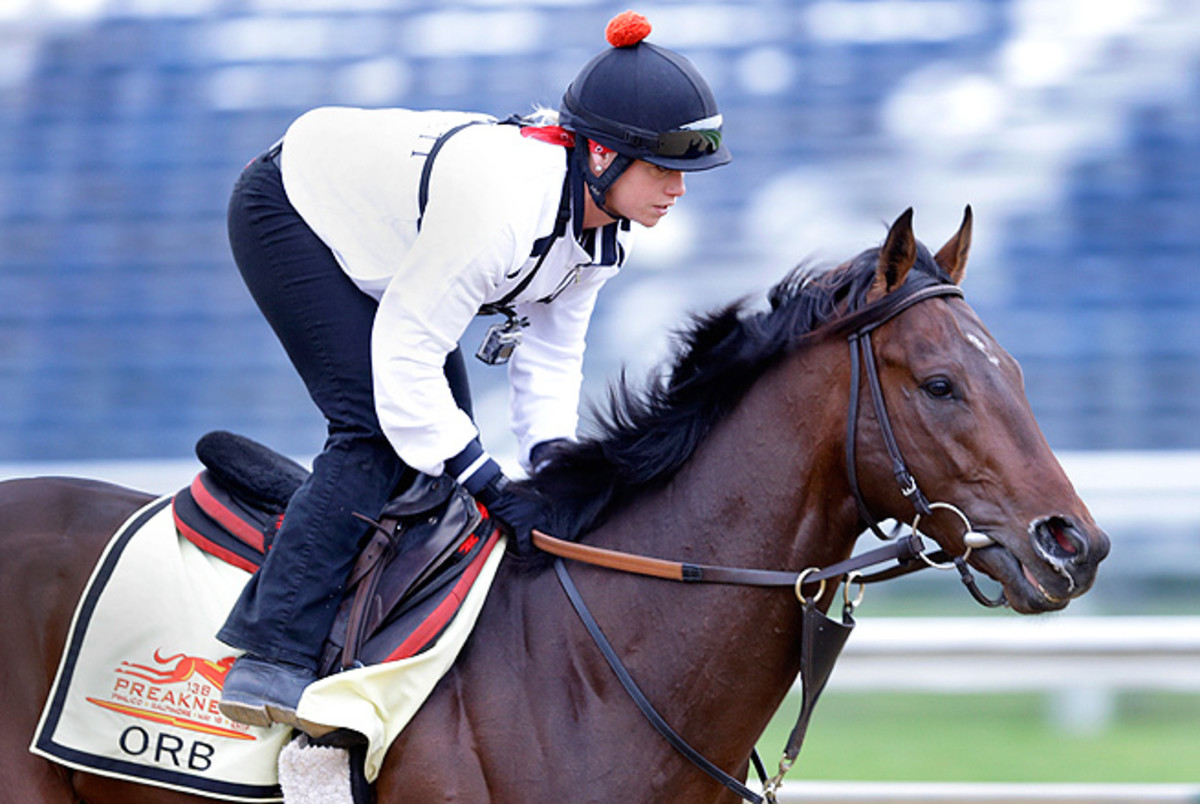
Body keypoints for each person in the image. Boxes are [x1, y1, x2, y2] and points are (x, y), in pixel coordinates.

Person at [215, 10, 731, 730]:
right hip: (291, 208)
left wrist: (549, 470)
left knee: (436, 453)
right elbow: (405, 357)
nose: (678, 189)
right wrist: (488, 480)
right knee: (376, 431)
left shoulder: (605, 235)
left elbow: (553, 356)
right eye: (664, 168)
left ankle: (362, 635)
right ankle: (270, 654)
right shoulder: (501, 207)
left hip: (388, 244)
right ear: (602, 156)